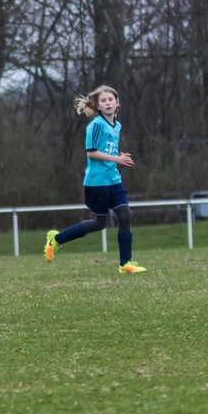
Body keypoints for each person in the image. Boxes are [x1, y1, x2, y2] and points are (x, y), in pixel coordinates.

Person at [44, 85, 146, 273]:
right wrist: (116, 158)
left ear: (117, 104)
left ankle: (125, 264)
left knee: (125, 216)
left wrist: (118, 155)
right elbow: (91, 153)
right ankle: (56, 239)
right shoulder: (96, 125)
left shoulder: (117, 125)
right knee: (99, 223)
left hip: (114, 180)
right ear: (98, 106)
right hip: (96, 184)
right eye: (103, 100)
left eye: (111, 99)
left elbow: (106, 149)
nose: (108, 103)